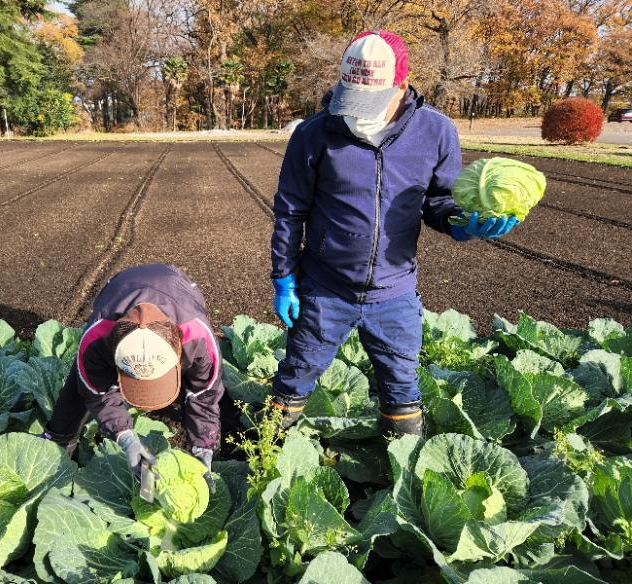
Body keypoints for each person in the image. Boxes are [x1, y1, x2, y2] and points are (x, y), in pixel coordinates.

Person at [269, 31, 520, 436]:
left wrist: (462, 223)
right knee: (295, 376)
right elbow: (290, 211)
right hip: (324, 288)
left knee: (402, 389)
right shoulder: (314, 134)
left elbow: (440, 202)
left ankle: (398, 473)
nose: (355, 110)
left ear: (401, 84)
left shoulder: (436, 132)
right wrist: (283, 277)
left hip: (394, 293)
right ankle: (268, 455)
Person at [43, 264, 223, 491]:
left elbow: (204, 395)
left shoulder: (198, 338)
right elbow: (98, 394)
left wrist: (203, 447)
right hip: (119, 288)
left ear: (178, 353)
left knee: (196, 396)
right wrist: (126, 438)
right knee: (79, 386)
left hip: (177, 288)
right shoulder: (97, 338)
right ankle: (59, 438)